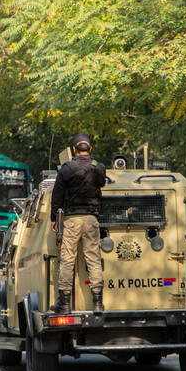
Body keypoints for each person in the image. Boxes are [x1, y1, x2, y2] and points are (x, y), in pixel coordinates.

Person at [49, 133, 107, 314]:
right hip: (91, 220)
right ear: (90, 149)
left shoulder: (66, 169)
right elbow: (102, 184)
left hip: (71, 220)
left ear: (74, 149)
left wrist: (53, 219)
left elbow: (57, 197)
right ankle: (97, 302)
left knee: (67, 259)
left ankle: (64, 303)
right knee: (94, 259)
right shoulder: (99, 168)